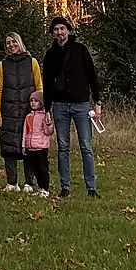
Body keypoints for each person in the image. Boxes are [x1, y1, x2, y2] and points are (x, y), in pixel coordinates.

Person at [41, 15, 102, 198]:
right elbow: (47, 83)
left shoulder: (80, 50)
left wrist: (97, 102)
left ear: (68, 30)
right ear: (52, 33)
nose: (59, 32)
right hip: (59, 106)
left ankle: (91, 188)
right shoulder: (50, 55)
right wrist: (47, 109)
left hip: (81, 105)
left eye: (62, 29)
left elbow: (92, 75)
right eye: (56, 30)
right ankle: (65, 187)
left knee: (86, 146)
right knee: (62, 147)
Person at [0, 30, 43, 191]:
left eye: (14, 42)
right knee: (8, 148)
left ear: (19, 43)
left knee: (29, 146)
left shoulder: (32, 62)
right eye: (8, 43)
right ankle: (12, 183)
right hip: (8, 112)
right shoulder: (3, 64)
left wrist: (41, 109)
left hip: (28, 112)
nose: (11, 45)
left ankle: (29, 183)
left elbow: (39, 86)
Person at [21, 89, 54, 195]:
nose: (33, 103)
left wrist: (49, 124)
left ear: (41, 103)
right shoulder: (28, 117)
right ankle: (40, 187)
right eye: (31, 101)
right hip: (30, 147)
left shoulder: (45, 116)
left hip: (41, 147)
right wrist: (23, 145)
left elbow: (48, 132)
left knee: (43, 169)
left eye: (36, 101)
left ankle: (45, 188)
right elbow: (25, 132)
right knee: (35, 169)